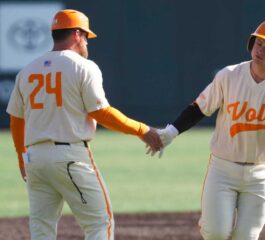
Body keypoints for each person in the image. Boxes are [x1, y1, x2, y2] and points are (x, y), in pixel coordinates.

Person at [151, 20, 265, 240]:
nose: (260, 50)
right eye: (259, 43)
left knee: (246, 238)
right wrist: (171, 132)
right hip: (223, 169)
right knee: (216, 234)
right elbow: (199, 108)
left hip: (262, 174)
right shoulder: (229, 75)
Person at [7, 9, 163, 239]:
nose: (87, 43)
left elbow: (17, 118)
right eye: (87, 37)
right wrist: (143, 130)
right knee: (100, 223)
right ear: (77, 34)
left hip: (35, 159)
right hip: (69, 156)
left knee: (41, 229)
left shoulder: (27, 70)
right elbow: (101, 113)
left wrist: (22, 156)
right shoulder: (83, 66)